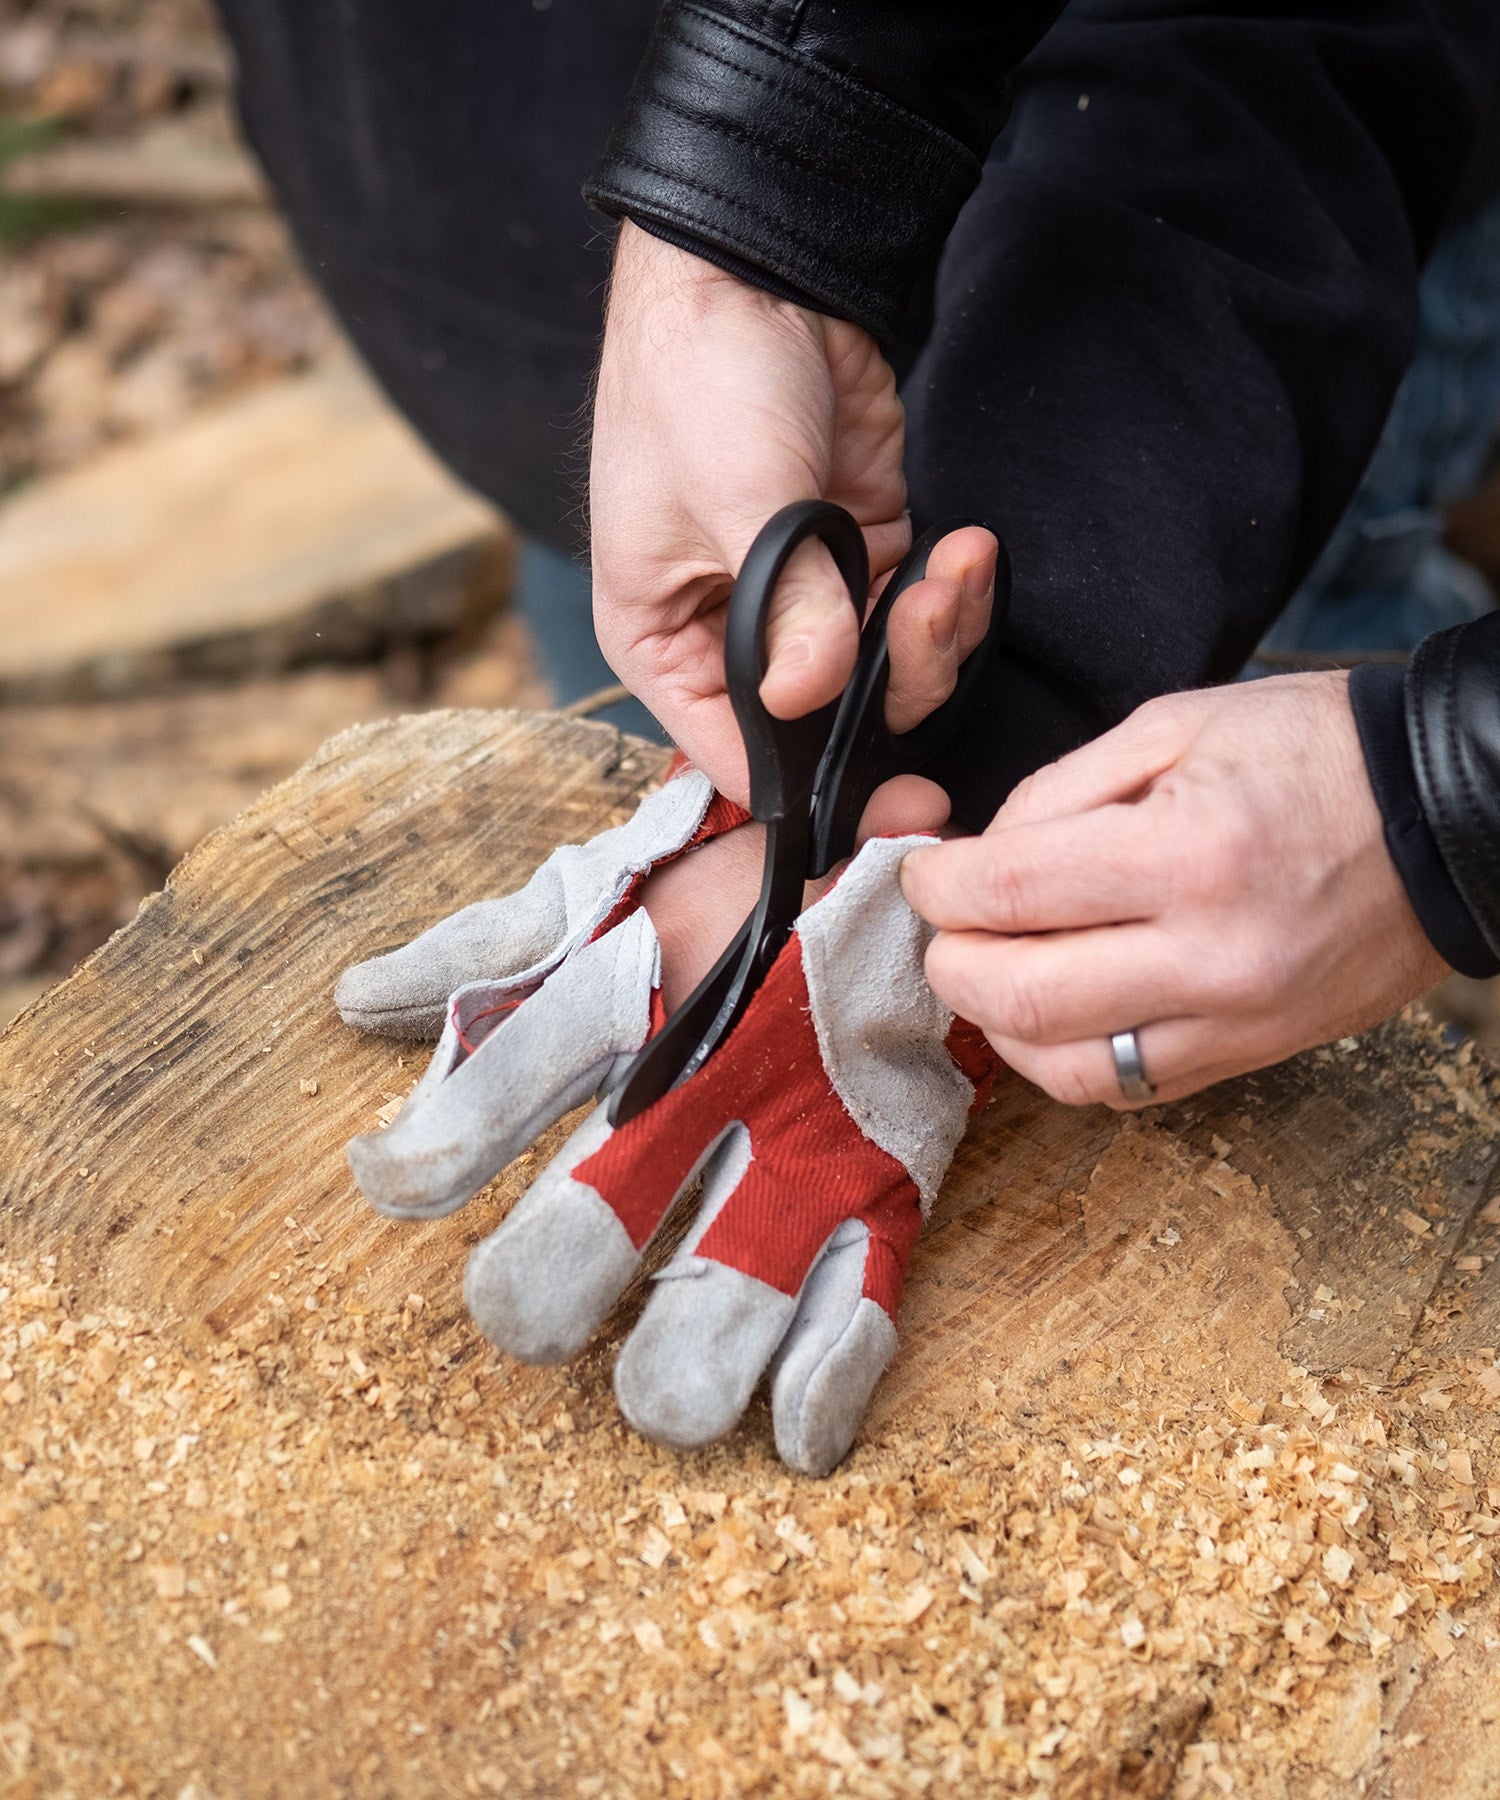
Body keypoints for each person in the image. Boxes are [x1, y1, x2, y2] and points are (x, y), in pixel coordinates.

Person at [216, 0, 1500, 1110]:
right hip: (638, 384)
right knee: (658, 651)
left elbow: (1264, 62)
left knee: (1247, 909)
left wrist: (1441, 791)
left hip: (1198, 310)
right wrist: (732, 227)